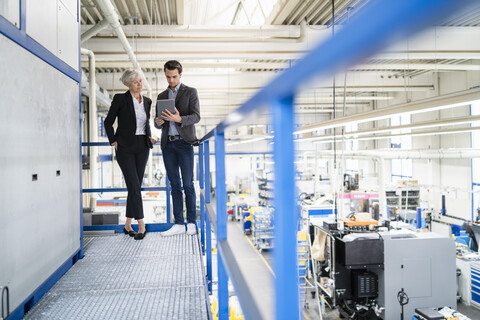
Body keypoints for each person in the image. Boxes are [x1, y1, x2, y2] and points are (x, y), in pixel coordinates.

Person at [104, 69, 156, 240]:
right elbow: (108, 122)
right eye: (135, 82)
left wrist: (149, 136)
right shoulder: (120, 99)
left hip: (142, 146)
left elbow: (145, 123)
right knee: (134, 186)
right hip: (125, 147)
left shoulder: (147, 101)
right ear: (127, 84)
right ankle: (141, 225)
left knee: (135, 186)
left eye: (140, 81)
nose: (140, 84)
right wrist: (113, 140)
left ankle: (127, 225)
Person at [155, 60, 200, 236]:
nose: (171, 80)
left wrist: (179, 119)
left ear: (180, 74)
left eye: (174, 77)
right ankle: (179, 223)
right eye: (168, 77)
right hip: (168, 145)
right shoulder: (161, 96)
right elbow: (157, 123)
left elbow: (196, 116)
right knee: (174, 184)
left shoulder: (190, 92)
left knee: (188, 184)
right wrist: (158, 122)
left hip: (185, 143)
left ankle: (191, 222)